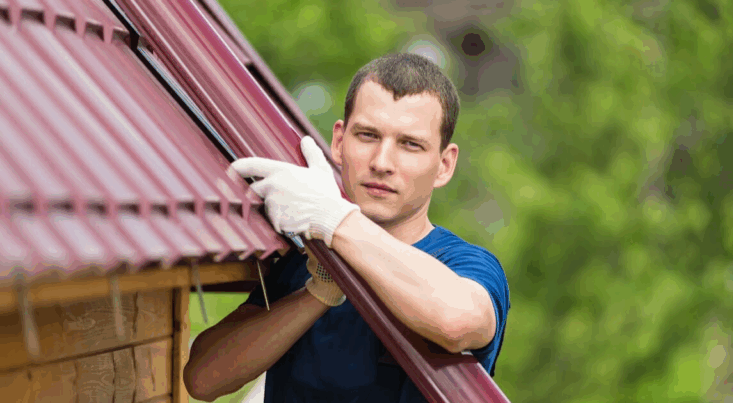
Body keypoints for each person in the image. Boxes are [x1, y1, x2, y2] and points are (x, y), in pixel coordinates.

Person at [184, 53, 510, 402]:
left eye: (410, 145)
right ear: (339, 143)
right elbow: (203, 380)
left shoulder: (465, 264)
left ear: (444, 165)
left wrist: (336, 220)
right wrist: (318, 293)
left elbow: (455, 321)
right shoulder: (307, 259)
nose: (381, 162)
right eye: (368, 136)